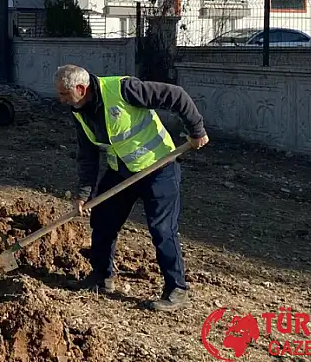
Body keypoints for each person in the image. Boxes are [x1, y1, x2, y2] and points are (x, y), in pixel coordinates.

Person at [53, 64, 209, 311]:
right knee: (103, 220)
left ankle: (176, 289)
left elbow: (176, 95)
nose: (60, 99)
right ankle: (101, 277)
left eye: (63, 94)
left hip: (158, 168)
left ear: (81, 88)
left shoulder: (124, 89)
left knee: (162, 230)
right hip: (122, 173)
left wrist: (196, 129)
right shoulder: (79, 110)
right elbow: (87, 154)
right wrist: (85, 193)